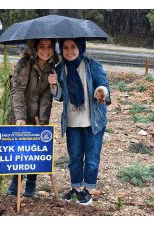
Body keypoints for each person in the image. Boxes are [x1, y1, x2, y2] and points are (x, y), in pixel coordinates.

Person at [48, 38, 111, 205]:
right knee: (75, 157)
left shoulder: (92, 65)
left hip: (93, 121)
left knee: (91, 157)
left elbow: (104, 85)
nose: (69, 51)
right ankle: (76, 188)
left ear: (81, 47)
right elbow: (60, 96)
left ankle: (88, 190)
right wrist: (54, 86)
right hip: (72, 121)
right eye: (65, 47)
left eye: (73, 47)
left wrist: (101, 91)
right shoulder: (60, 69)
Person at [7, 38, 58, 197]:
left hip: (37, 115)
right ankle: (15, 185)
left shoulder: (52, 68)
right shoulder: (25, 63)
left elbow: (46, 98)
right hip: (19, 113)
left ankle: (31, 185)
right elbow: (17, 91)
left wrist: (42, 122)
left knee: (35, 150)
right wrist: (20, 116)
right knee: (20, 150)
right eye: (41, 46)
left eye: (49, 47)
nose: (46, 50)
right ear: (35, 47)